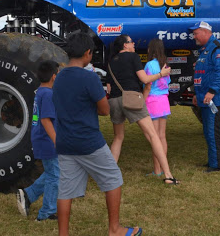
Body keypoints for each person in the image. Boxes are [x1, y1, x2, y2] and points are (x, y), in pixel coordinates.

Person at [52, 33, 142, 236]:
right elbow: (104, 110)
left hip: (65, 141)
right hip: (89, 141)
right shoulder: (89, 77)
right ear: (87, 53)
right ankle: (115, 229)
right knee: (113, 178)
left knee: (65, 190)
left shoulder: (58, 78)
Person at [107, 34, 179, 185]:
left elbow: (108, 87)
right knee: (153, 135)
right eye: (131, 41)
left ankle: (110, 175)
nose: (134, 43)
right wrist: (161, 74)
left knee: (118, 137)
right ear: (125, 45)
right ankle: (168, 175)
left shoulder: (111, 61)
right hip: (131, 99)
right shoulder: (133, 57)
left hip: (114, 100)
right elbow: (145, 80)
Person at [17, 60, 60, 221]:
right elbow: (46, 120)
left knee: (52, 172)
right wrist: (57, 141)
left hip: (41, 138)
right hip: (47, 140)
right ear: (54, 77)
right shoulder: (48, 94)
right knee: (55, 176)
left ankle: (28, 194)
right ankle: (47, 212)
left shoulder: (40, 91)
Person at [190, 21, 220, 173]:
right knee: (209, 131)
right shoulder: (206, 50)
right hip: (206, 99)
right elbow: (204, 75)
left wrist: (212, 92)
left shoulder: (218, 48)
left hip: (216, 99)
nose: (193, 36)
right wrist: (198, 94)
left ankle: (217, 164)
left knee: (214, 131)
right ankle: (212, 161)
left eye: (196, 33)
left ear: (206, 32)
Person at [143, 38, 171, 176]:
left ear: (151, 49)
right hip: (164, 101)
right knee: (162, 136)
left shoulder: (149, 65)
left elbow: (148, 84)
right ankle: (162, 166)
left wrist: (143, 99)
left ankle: (158, 170)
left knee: (154, 138)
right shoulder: (164, 65)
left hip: (152, 101)